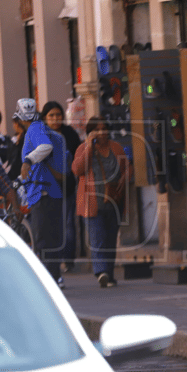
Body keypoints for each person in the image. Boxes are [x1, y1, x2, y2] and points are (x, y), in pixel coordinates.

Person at [72, 117, 131, 288]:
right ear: (90, 132)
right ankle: (101, 272)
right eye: (97, 129)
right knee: (98, 238)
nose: (101, 132)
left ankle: (109, 275)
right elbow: (77, 169)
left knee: (111, 239)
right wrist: (89, 147)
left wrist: (125, 177)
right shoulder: (83, 148)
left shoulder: (116, 147)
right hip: (92, 203)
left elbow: (127, 167)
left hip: (114, 200)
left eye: (104, 128)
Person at [18, 98, 69, 285]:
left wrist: (28, 160)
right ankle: (55, 278)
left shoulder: (35, 129)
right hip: (49, 192)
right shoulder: (41, 130)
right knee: (51, 239)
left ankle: (51, 280)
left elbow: (45, 148)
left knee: (43, 240)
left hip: (43, 193)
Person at [41, 101, 83, 273]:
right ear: (45, 118)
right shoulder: (40, 134)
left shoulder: (70, 134)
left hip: (67, 187)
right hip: (45, 190)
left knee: (67, 224)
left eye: (58, 115)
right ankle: (51, 263)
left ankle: (68, 260)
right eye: (51, 115)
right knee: (49, 227)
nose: (55, 118)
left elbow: (77, 157)